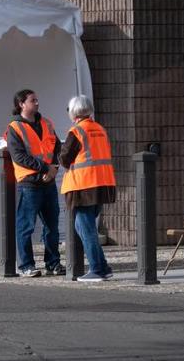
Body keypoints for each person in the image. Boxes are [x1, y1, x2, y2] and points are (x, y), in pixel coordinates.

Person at [6, 88, 64, 277]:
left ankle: (53, 262)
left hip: (48, 181)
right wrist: (46, 168)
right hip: (29, 183)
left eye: (37, 100)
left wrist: (54, 167)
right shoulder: (15, 127)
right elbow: (19, 156)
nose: (37, 103)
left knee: (52, 226)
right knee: (26, 227)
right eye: (33, 100)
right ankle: (26, 265)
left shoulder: (46, 122)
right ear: (21, 104)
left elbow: (57, 147)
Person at [59, 94, 116, 282]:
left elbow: (64, 158)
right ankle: (103, 267)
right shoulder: (100, 129)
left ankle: (97, 269)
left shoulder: (76, 131)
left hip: (83, 185)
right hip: (102, 184)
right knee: (84, 226)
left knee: (86, 228)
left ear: (74, 112)